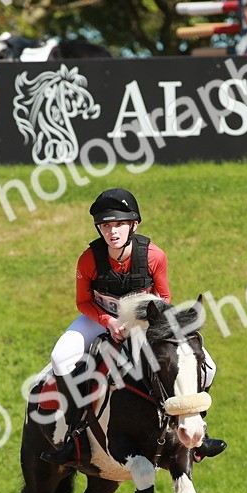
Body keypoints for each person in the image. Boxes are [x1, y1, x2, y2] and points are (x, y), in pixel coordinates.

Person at [40, 189, 227, 467]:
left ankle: (198, 434)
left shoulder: (154, 256)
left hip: (143, 320)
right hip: (100, 316)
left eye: (118, 224)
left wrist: (141, 322)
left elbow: (164, 299)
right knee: (60, 357)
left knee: (206, 364)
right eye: (105, 225)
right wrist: (109, 321)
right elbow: (83, 301)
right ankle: (73, 439)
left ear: (133, 225)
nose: (112, 231)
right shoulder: (88, 259)